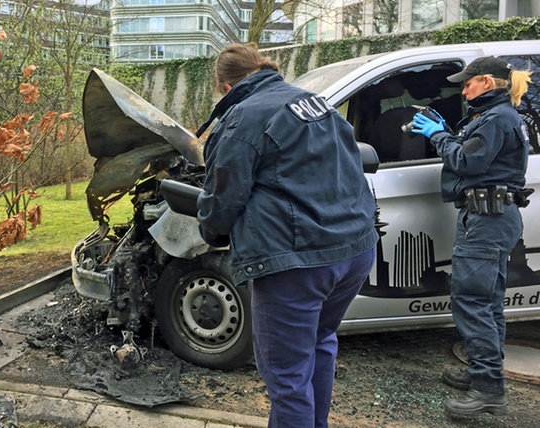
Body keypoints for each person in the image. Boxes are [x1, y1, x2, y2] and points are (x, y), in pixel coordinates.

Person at [195, 43, 378, 428]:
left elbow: (224, 197)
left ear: (225, 87)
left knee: (287, 375)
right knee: (319, 343)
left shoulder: (242, 117)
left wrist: (211, 231)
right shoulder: (315, 102)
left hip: (298, 262)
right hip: (354, 250)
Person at [410, 56, 532, 416]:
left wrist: (437, 135)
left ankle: (489, 391)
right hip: (490, 216)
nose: (463, 89)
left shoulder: (497, 119)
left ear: (488, 83)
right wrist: (448, 131)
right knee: (487, 302)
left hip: (487, 219)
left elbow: (466, 162)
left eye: (468, 83)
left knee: (473, 302)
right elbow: (474, 153)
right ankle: (484, 374)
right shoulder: (497, 117)